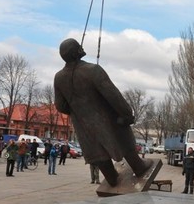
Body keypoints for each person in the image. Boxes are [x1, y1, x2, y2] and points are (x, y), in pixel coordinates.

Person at [54, 38, 151, 186]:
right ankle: (139, 167)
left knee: (96, 151)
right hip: (107, 119)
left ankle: (111, 177)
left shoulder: (59, 77)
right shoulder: (93, 70)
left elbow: (60, 106)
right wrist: (126, 113)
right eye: (79, 46)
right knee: (123, 140)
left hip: (82, 124)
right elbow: (113, 95)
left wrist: (77, 111)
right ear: (76, 52)